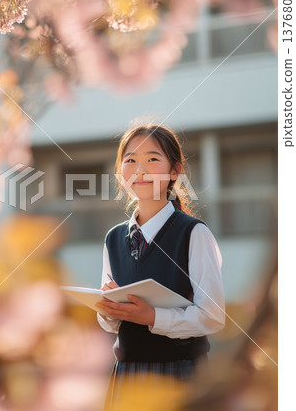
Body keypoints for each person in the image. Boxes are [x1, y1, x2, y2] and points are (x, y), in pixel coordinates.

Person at [96, 124, 225, 410]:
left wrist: (154, 317)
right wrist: (108, 311)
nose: (140, 169)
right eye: (130, 160)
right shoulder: (113, 238)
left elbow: (214, 317)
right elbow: (111, 324)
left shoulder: (193, 233)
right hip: (127, 375)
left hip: (180, 374)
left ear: (174, 171)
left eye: (152, 159)